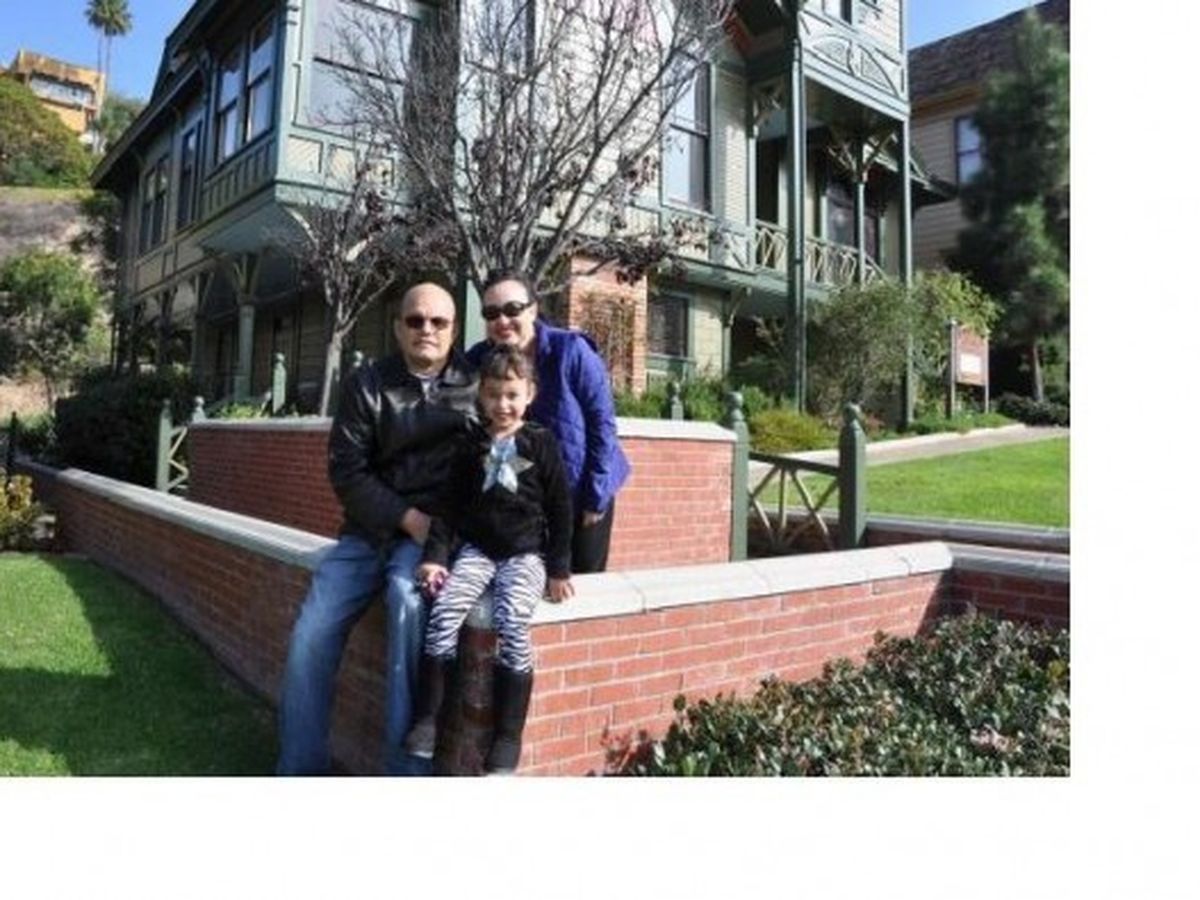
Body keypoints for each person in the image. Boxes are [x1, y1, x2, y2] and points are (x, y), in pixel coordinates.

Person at [276, 282, 479, 776]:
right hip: (367, 534)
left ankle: (404, 772)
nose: (426, 329)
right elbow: (347, 472)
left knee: (409, 605)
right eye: (415, 320)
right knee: (311, 634)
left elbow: (488, 466)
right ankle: (299, 771)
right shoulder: (366, 384)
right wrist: (408, 519)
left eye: (438, 321)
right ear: (397, 328)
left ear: (454, 330)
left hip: (430, 542)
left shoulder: (475, 387)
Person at [404, 345, 573, 774]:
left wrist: (558, 568)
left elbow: (560, 508)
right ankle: (428, 720)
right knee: (444, 613)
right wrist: (435, 557)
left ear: (530, 394)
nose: (503, 404)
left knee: (512, 620)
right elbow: (449, 506)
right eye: (494, 394)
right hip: (478, 551)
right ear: (482, 395)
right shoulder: (471, 445)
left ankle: (508, 737)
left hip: (524, 554)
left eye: (512, 395)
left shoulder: (541, 443)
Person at [466, 271, 630, 573]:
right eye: (491, 313)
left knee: (582, 583)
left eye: (512, 309)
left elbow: (602, 424)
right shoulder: (479, 360)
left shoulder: (571, 350)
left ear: (532, 309)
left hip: (581, 491)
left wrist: (595, 496)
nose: (502, 320)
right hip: (525, 504)